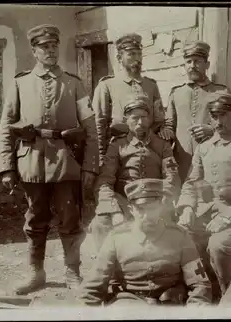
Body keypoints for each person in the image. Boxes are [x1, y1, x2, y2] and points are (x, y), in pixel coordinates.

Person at [0, 24, 99, 294]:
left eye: (54, 46)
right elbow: (7, 127)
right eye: (44, 47)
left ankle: (72, 273)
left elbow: (91, 129)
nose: (50, 51)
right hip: (31, 161)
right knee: (34, 219)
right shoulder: (20, 83)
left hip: (67, 161)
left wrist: (89, 165)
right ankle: (35, 273)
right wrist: (6, 166)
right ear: (34, 51)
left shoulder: (73, 84)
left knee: (70, 218)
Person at [176, 93, 231, 299]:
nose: (218, 121)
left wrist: (227, 218)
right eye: (214, 116)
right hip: (204, 212)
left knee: (218, 246)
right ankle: (197, 295)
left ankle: (229, 296)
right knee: (178, 240)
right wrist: (187, 208)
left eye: (223, 115)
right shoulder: (204, 148)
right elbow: (191, 182)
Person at [78, 178, 212, 306]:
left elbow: (199, 284)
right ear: (131, 210)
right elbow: (92, 287)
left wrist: (196, 308)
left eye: (152, 208)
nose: (147, 216)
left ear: (161, 206)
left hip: (170, 305)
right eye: (141, 209)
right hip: (128, 306)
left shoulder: (179, 236)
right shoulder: (116, 238)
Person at [90, 93, 181, 251]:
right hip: (125, 202)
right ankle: (107, 267)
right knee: (101, 223)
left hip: (155, 202)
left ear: (150, 119)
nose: (140, 123)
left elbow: (172, 178)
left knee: (167, 231)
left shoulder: (162, 145)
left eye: (144, 117)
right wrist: (114, 210)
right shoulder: (117, 146)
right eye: (134, 118)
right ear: (126, 120)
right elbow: (105, 182)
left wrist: (161, 206)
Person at [159, 40, 229, 182]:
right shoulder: (176, 93)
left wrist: (212, 130)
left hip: (212, 158)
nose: (192, 66)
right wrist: (166, 131)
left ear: (207, 65)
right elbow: (169, 124)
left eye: (197, 61)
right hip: (182, 160)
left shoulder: (221, 91)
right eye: (188, 62)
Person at [92, 33, 165, 165]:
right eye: (131, 54)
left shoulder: (151, 85)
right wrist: (101, 156)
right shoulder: (107, 85)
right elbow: (98, 124)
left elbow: (159, 121)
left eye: (139, 54)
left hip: (148, 150)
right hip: (118, 151)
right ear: (120, 58)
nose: (137, 58)